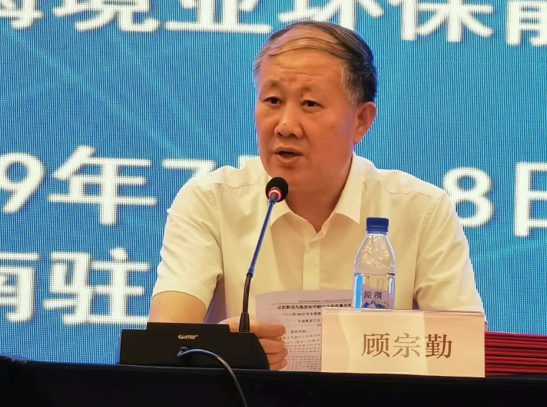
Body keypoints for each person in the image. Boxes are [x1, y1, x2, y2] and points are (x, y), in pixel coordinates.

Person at [148, 21, 485, 371]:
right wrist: (219, 348)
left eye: (310, 104)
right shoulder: (210, 201)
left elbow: (465, 355)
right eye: (273, 100)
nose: (285, 125)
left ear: (361, 120)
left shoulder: (422, 210)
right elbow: (162, 346)